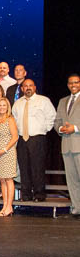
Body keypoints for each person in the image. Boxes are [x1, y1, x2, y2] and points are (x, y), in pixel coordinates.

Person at [12, 79, 56, 202]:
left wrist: (44, 129)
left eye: (30, 85)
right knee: (23, 168)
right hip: (22, 139)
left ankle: (39, 194)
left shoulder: (44, 100)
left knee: (38, 167)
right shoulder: (18, 103)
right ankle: (26, 195)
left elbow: (52, 116)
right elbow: (14, 121)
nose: (28, 88)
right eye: (25, 86)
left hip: (37, 138)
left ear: (35, 87)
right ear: (22, 89)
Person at [55, 74, 80, 217]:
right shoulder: (63, 101)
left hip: (79, 145)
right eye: (71, 83)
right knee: (72, 181)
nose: (73, 85)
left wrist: (75, 128)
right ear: (67, 85)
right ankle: (77, 208)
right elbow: (57, 121)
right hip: (66, 147)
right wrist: (60, 129)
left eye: (76, 82)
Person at [0, 98, 18, 217]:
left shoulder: (10, 119)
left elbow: (15, 137)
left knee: (8, 179)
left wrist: (4, 149)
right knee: (2, 179)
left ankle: (9, 206)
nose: (1, 107)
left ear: (7, 107)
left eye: (4, 105)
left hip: (8, 152)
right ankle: (4, 205)